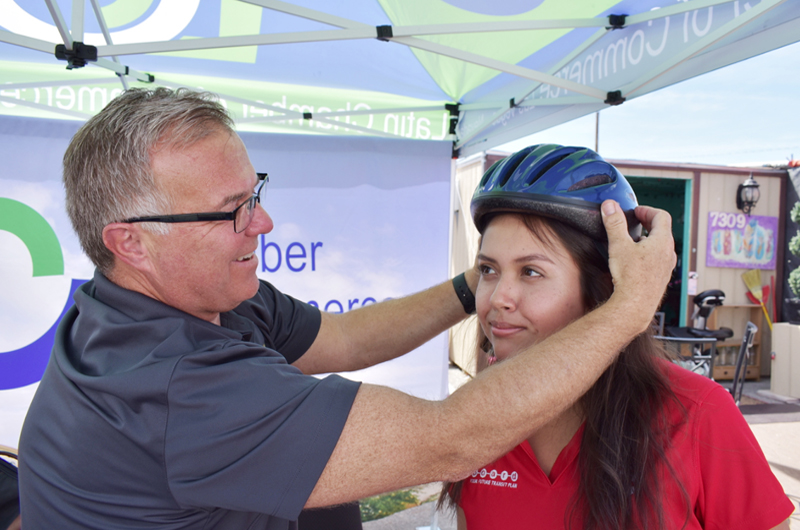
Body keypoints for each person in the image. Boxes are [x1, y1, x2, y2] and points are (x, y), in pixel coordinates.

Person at [18, 88, 677, 530]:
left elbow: (346, 336)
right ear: (130, 241)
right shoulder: (174, 382)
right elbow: (449, 441)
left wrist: (475, 283)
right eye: (230, 213)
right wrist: (629, 309)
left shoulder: (180, 298)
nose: (264, 223)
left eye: (255, 194)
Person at [439, 144, 793, 530]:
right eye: (489, 270)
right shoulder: (472, 419)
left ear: (603, 288)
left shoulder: (696, 414)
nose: (497, 299)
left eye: (531, 272)